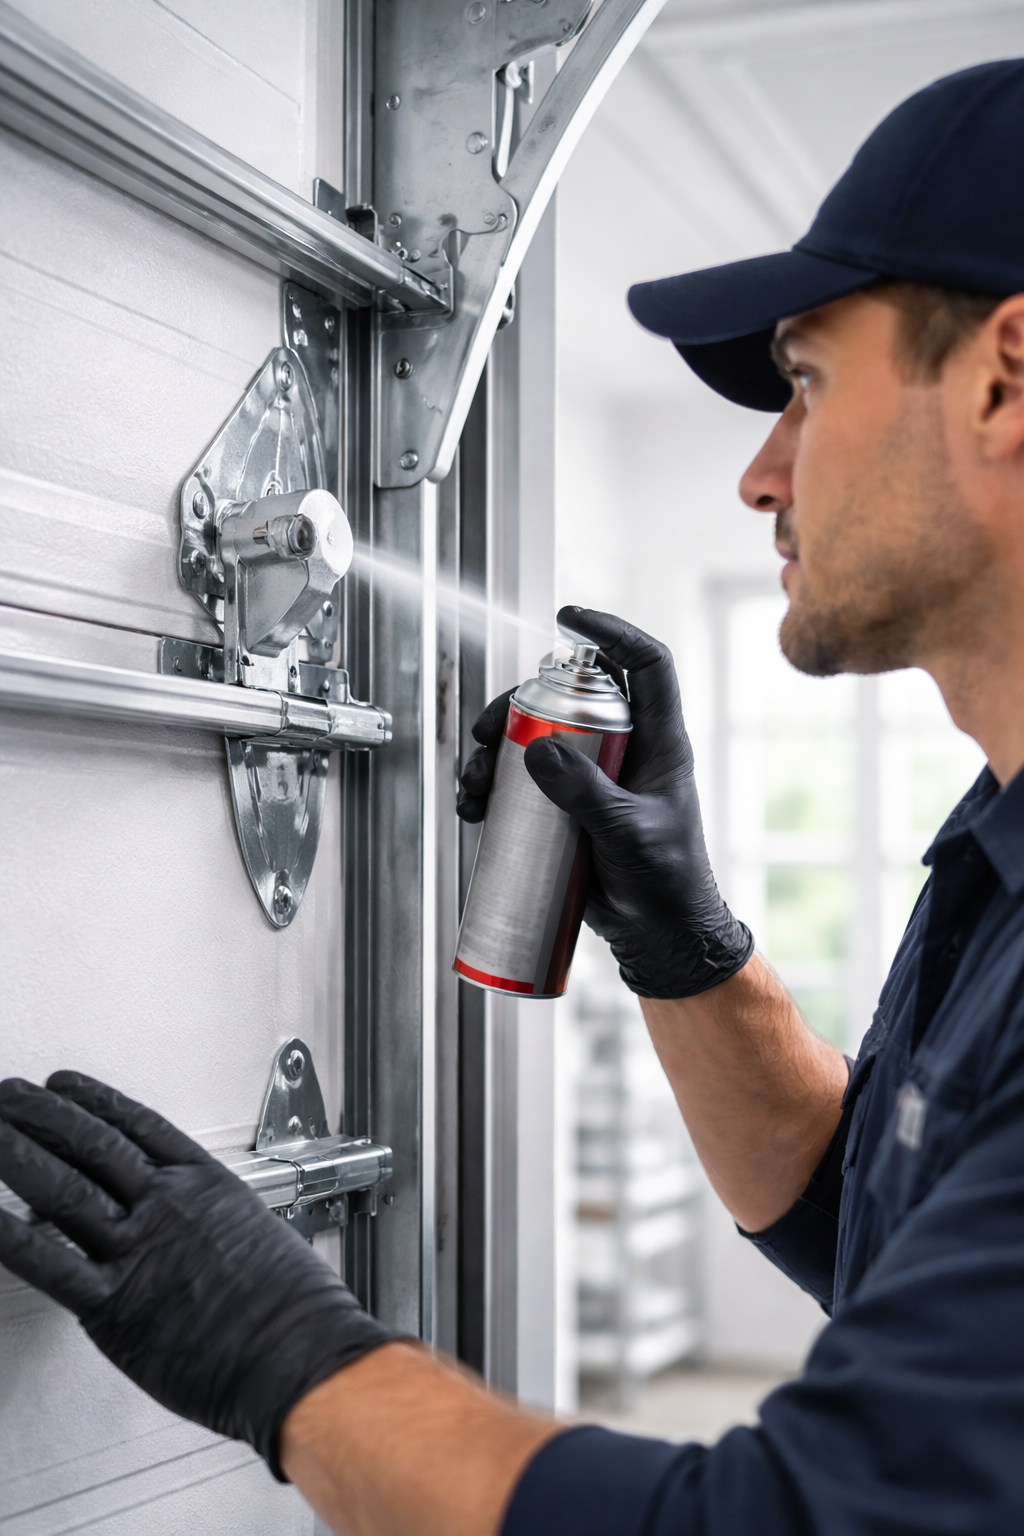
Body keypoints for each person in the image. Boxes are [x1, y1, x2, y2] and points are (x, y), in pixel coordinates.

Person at [3, 56, 1024, 1536]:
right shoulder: (991, 861)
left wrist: (293, 1361)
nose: (761, 473)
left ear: (1006, 375)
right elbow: (863, 1226)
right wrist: (685, 951)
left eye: (803, 383)